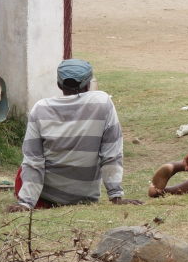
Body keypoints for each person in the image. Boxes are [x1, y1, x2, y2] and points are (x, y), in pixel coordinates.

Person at [7, 59, 142, 212]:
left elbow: (33, 161)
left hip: (41, 199)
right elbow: (112, 153)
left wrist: (25, 204)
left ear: (59, 84)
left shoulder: (40, 108)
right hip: (83, 198)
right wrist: (116, 196)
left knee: (25, 167)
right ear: (88, 84)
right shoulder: (102, 103)